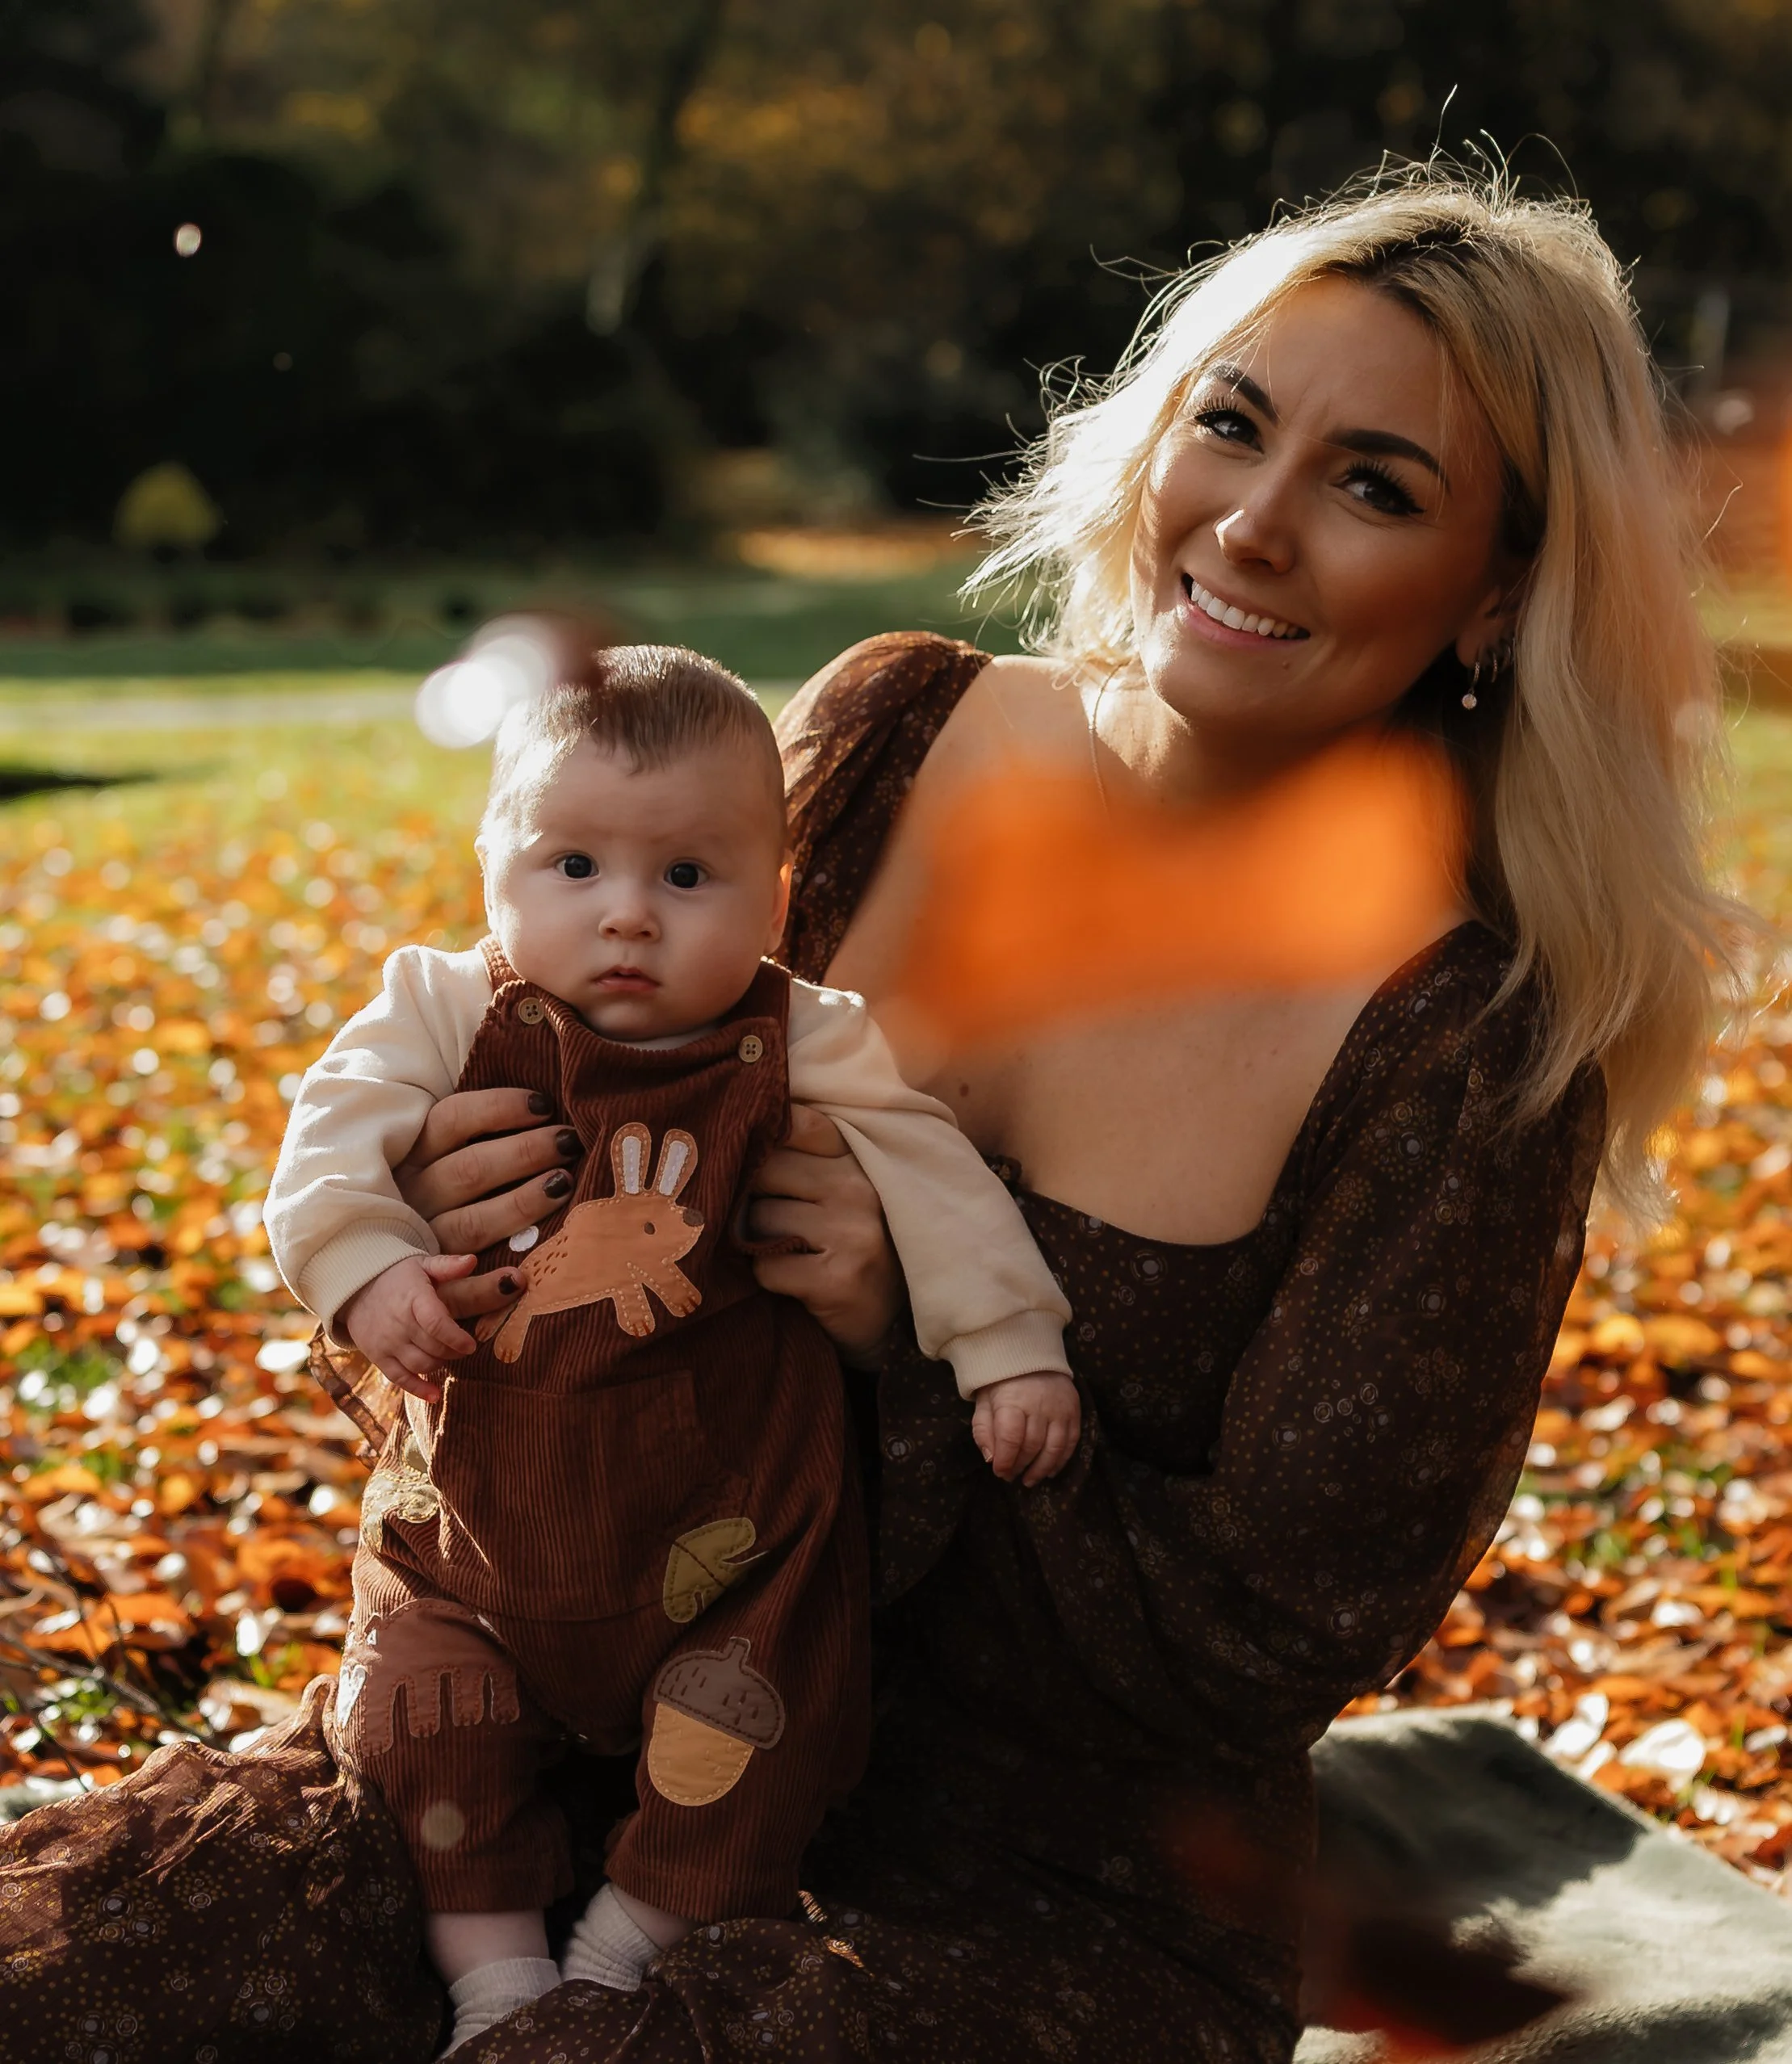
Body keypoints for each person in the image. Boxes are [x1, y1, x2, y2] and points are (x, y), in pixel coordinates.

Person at [0, 168, 1740, 2064]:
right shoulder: (889, 734)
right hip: (554, 1752)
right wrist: (440, 1223)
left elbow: (1254, 1643)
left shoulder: (1471, 1056)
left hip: (1030, 1887)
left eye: (1373, 485)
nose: (1248, 523)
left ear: (1495, 594)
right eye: (1229, 424)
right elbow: (497, 1263)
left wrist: (899, 1354)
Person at [262, 644, 1076, 2053]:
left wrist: (1007, 1342)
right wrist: (365, 1265)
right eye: (572, 866)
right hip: (479, 1535)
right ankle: (494, 1971)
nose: (626, 918)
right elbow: (333, 1128)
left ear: (769, 899)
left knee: (766, 1722)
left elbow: (931, 1175)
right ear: (494, 874)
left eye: (686, 879)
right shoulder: (448, 1005)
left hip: (732, 1532)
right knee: (421, 1719)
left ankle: (631, 1943)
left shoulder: (799, 1030)